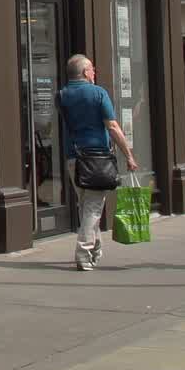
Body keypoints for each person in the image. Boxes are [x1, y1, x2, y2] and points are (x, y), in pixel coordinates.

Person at [57, 56, 137, 271]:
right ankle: (83, 253)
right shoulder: (98, 93)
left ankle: (96, 249)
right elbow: (112, 126)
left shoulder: (62, 95)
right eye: (92, 68)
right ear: (85, 72)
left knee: (87, 206)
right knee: (92, 208)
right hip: (97, 158)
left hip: (73, 158)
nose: (95, 72)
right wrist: (128, 154)